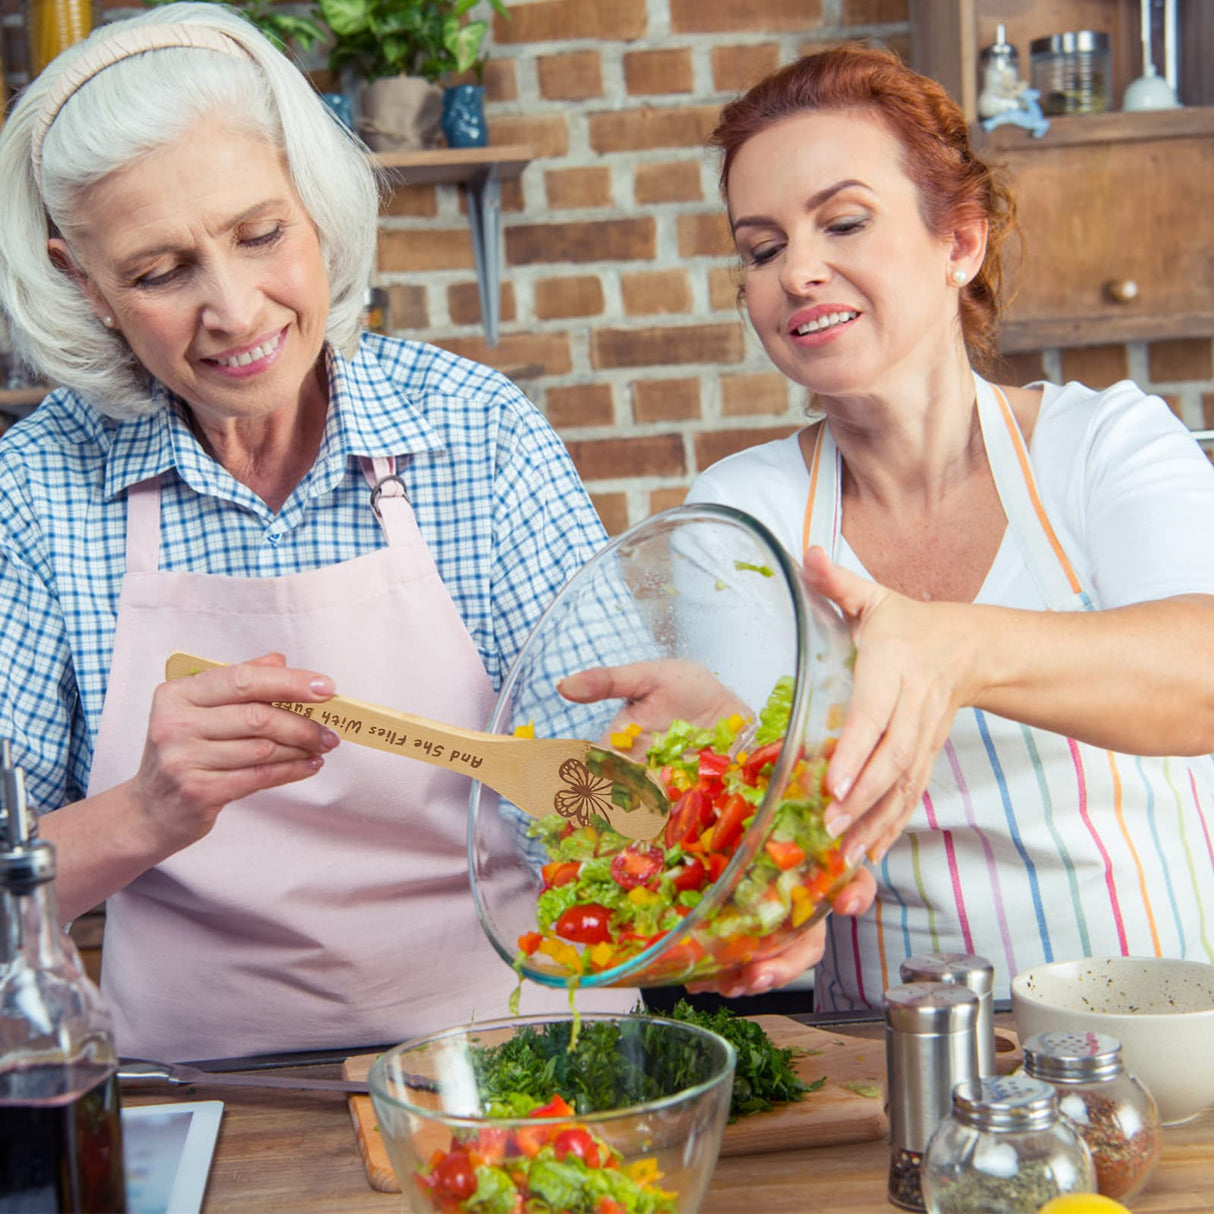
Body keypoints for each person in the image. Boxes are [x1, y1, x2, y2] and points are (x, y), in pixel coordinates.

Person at [0, 2, 646, 1062]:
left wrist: (673, 781)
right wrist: (147, 811)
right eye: (161, 273)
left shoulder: (476, 435)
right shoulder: (36, 490)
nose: (236, 310)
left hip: (524, 1067)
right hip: (202, 1094)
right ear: (86, 284)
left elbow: (613, 820)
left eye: (261, 235)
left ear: (317, 206)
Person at [684, 45, 1214, 1010]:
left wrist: (957, 646)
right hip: (890, 1068)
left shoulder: (1105, 445)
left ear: (958, 243)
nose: (798, 271)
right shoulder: (742, 514)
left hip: (1161, 1040)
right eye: (761, 249)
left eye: (844, 221)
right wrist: (752, 881)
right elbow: (765, 810)